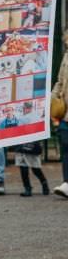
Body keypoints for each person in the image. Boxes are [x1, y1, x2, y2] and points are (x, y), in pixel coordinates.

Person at [52, 30, 68, 198]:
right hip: (65, 111)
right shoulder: (66, 56)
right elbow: (60, 81)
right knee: (65, 145)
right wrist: (53, 97)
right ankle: (67, 182)